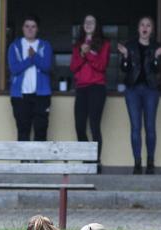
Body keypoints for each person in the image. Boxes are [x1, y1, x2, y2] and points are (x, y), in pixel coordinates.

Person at [117, 16, 161, 174]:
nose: (145, 28)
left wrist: (156, 57)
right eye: (142, 25)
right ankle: (137, 163)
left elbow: (157, 70)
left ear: (151, 30)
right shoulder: (129, 46)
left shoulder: (156, 46)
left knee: (150, 127)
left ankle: (150, 162)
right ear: (138, 29)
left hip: (151, 90)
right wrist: (125, 56)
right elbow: (124, 69)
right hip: (132, 90)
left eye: (148, 25)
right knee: (135, 128)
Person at [70, 14, 110, 169]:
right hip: (81, 89)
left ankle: (95, 161)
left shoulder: (105, 44)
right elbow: (73, 67)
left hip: (97, 88)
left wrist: (88, 53)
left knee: (94, 126)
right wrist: (81, 53)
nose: (88, 24)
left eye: (91, 21)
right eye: (85, 21)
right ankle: (86, 159)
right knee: (79, 126)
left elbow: (101, 66)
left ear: (96, 25)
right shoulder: (77, 45)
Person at [7, 15, 53, 141]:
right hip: (20, 96)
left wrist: (35, 56)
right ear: (22, 28)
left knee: (41, 130)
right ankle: (25, 161)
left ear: (37, 29)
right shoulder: (14, 46)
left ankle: (38, 160)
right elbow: (14, 69)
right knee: (23, 131)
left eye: (33, 27)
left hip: (41, 96)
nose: (30, 29)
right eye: (27, 26)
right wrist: (30, 59)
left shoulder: (45, 45)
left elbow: (47, 67)